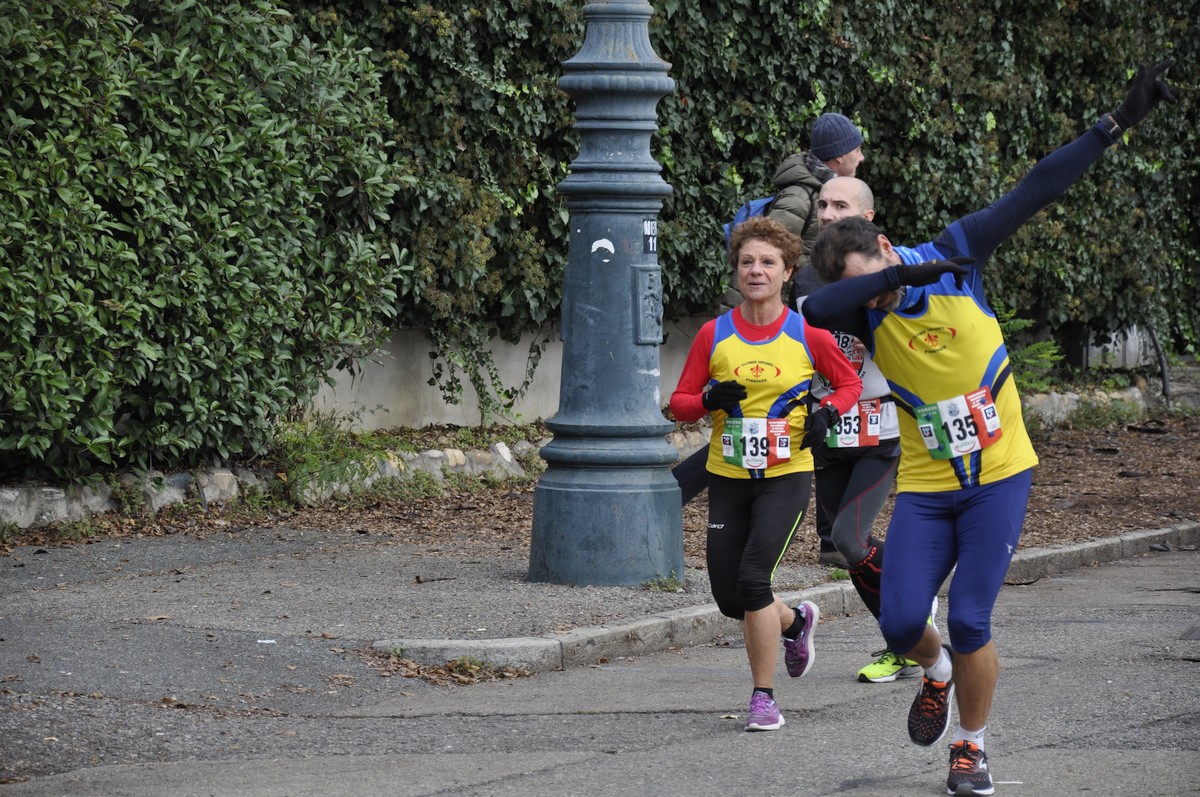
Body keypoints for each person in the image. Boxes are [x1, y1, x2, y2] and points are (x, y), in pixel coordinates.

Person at [802, 61, 1177, 796]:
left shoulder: (959, 251)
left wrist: (1114, 123)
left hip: (999, 474)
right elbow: (815, 308)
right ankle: (935, 671)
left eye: (875, 278)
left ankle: (970, 748)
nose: (871, 307)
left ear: (885, 240)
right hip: (929, 484)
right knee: (901, 622)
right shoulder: (861, 303)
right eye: (863, 295)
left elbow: (1037, 188)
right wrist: (889, 284)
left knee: (971, 619)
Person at [669, 215, 862, 732]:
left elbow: (848, 385)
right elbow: (679, 404)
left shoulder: (807, 335)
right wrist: (708, 398)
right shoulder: (714, 334)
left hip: (786, 473)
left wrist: (827, 414)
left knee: (754, 579)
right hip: (728, 474)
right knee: (731, 598)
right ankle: (795, 622)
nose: (756, 270)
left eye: (768, 262)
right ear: (736, 270)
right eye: (747, 262)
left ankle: (764, 699)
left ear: (788, 272)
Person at [679, 113, 867, 567]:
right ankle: (672, 489)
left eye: (837, 208)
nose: (862, 157)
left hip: (795, 326)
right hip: (764, 325)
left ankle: (830, 538)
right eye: (857, 148)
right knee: (751, 421)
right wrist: (747, 320)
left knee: (794, 422)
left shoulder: (815, 189)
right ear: (840, 155)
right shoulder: (802, 195)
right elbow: (763, 248)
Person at [794, 176, 928, 684]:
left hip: (878, 430)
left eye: (840, 205)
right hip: (827, 430)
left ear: (868, 219)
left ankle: (911, 619)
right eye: (822, 204)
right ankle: (904, 637)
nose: (828, 213)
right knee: (848, 548)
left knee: (850, 539)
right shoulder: (805, 278)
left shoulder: (885, 273)